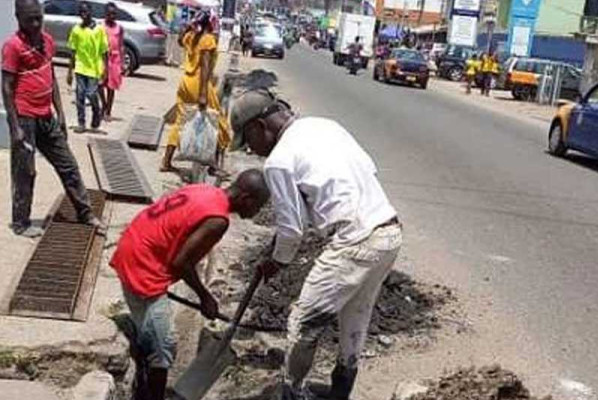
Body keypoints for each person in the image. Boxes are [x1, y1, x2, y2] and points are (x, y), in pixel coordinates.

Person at [230, 89, 403, 400]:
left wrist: (276, 261)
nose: (253, 151)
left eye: (248, 141)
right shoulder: (325, 126)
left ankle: (291, 393)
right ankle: (340, 394)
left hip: (354, 240)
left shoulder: (279, 161)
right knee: (355, 321)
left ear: (259, 127)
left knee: (303, 321)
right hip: (388, 232)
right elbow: (363, 170)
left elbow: (292, 230)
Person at [110, 169, 270, 400]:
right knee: (164, 348)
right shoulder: (217, 220)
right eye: (259, 206)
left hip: (132, 247)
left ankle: (144, 371)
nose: (257, 213)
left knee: (152, 335)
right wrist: (205, 297)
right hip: (143, 267)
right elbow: (181, 263)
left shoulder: (205, 190)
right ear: (247, 199)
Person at [2, 0, 106, 238]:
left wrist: (60, 113)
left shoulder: (47, 41)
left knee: (68, 164)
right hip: (24, 118)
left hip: (46, 116)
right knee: (25, 172)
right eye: (31, 19)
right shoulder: (12, 47)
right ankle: (21, 223)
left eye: (39, 17)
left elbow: (52, 77)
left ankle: (85, 213)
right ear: (19, 18)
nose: (37, 24)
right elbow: (7, 88)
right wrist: (14, 126)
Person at [160, 11, 231, 173]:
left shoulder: (191, 36)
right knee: (219, 123)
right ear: (210, 23)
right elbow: (205, 66)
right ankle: (214, 166)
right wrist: (203, 94)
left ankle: (166, 161)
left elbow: (179, 41)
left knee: (180, 121)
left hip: (185, 82)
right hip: (200, 84)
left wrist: (188, 28)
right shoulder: (208, 40)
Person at [67, 1, 108, 133]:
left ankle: (97, 111)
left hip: (94, 68)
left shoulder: (99, 29)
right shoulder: (76, 30)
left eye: (86, 12)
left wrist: (105, 69)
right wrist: (70, 70)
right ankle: (81, 122)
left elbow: (104, 50)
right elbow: (72, 51)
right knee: (79, 96)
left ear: (91, 12)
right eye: (81, 12)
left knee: (91, 94)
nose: (84, 15)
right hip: (80, 67)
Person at [99, 2, 124, 122]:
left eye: (114, 14)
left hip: (115, 59)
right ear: (105, 14)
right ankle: (103, 104)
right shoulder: (100, 27)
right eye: (109, 14)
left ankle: (108, 111)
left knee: (111, 87)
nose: (112, 16)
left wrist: (122, 63)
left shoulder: (119, 28)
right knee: (99, 84)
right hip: (103, 58)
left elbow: (121, 45)